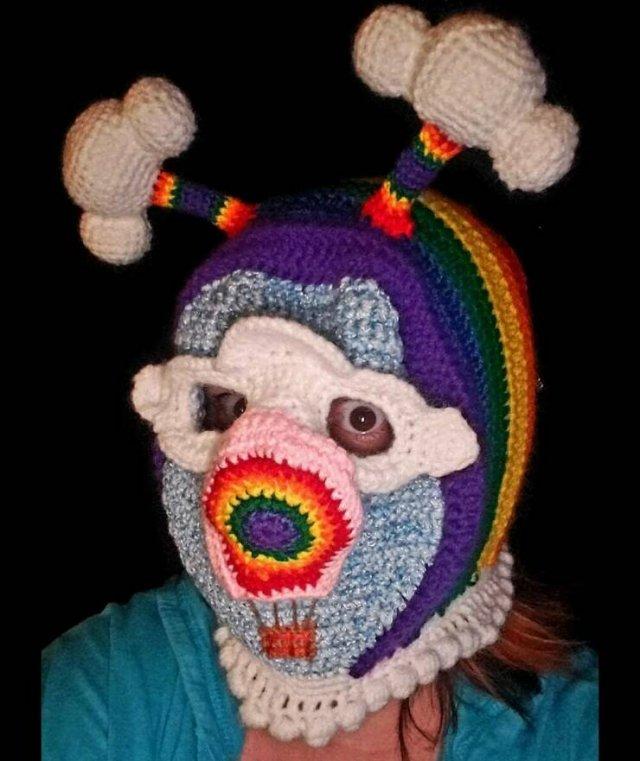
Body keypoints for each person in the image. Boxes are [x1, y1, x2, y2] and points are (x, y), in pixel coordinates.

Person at [42, 5, 598, 760]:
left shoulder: (573, 731)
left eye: (360, 419)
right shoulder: (100, 697)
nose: (259, 484)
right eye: (227, 405)